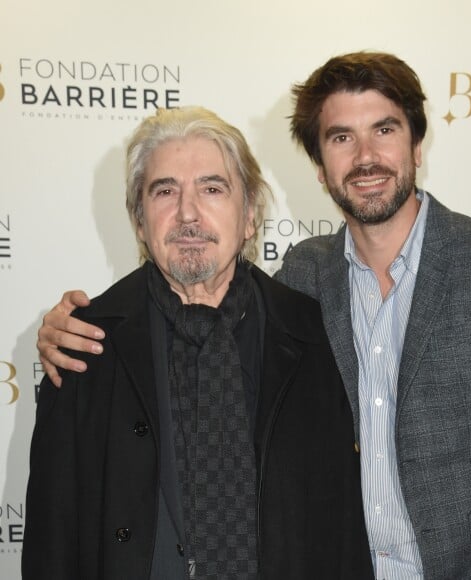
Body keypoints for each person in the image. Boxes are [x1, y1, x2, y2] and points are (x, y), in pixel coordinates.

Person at [37, 53, 471, 579]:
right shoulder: (304, 279)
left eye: (385, 130)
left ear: (417, 145)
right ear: (320, 167)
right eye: (342, 137)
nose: (366, 156)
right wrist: (61, 330)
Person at [23, 106, 374, 580]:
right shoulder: (84, 342)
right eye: (165, 191)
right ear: (139, 221)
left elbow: (344, 529)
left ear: (249, 216)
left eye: (212, 188)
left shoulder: (314, 332)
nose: (188, 212)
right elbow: (52, 540)